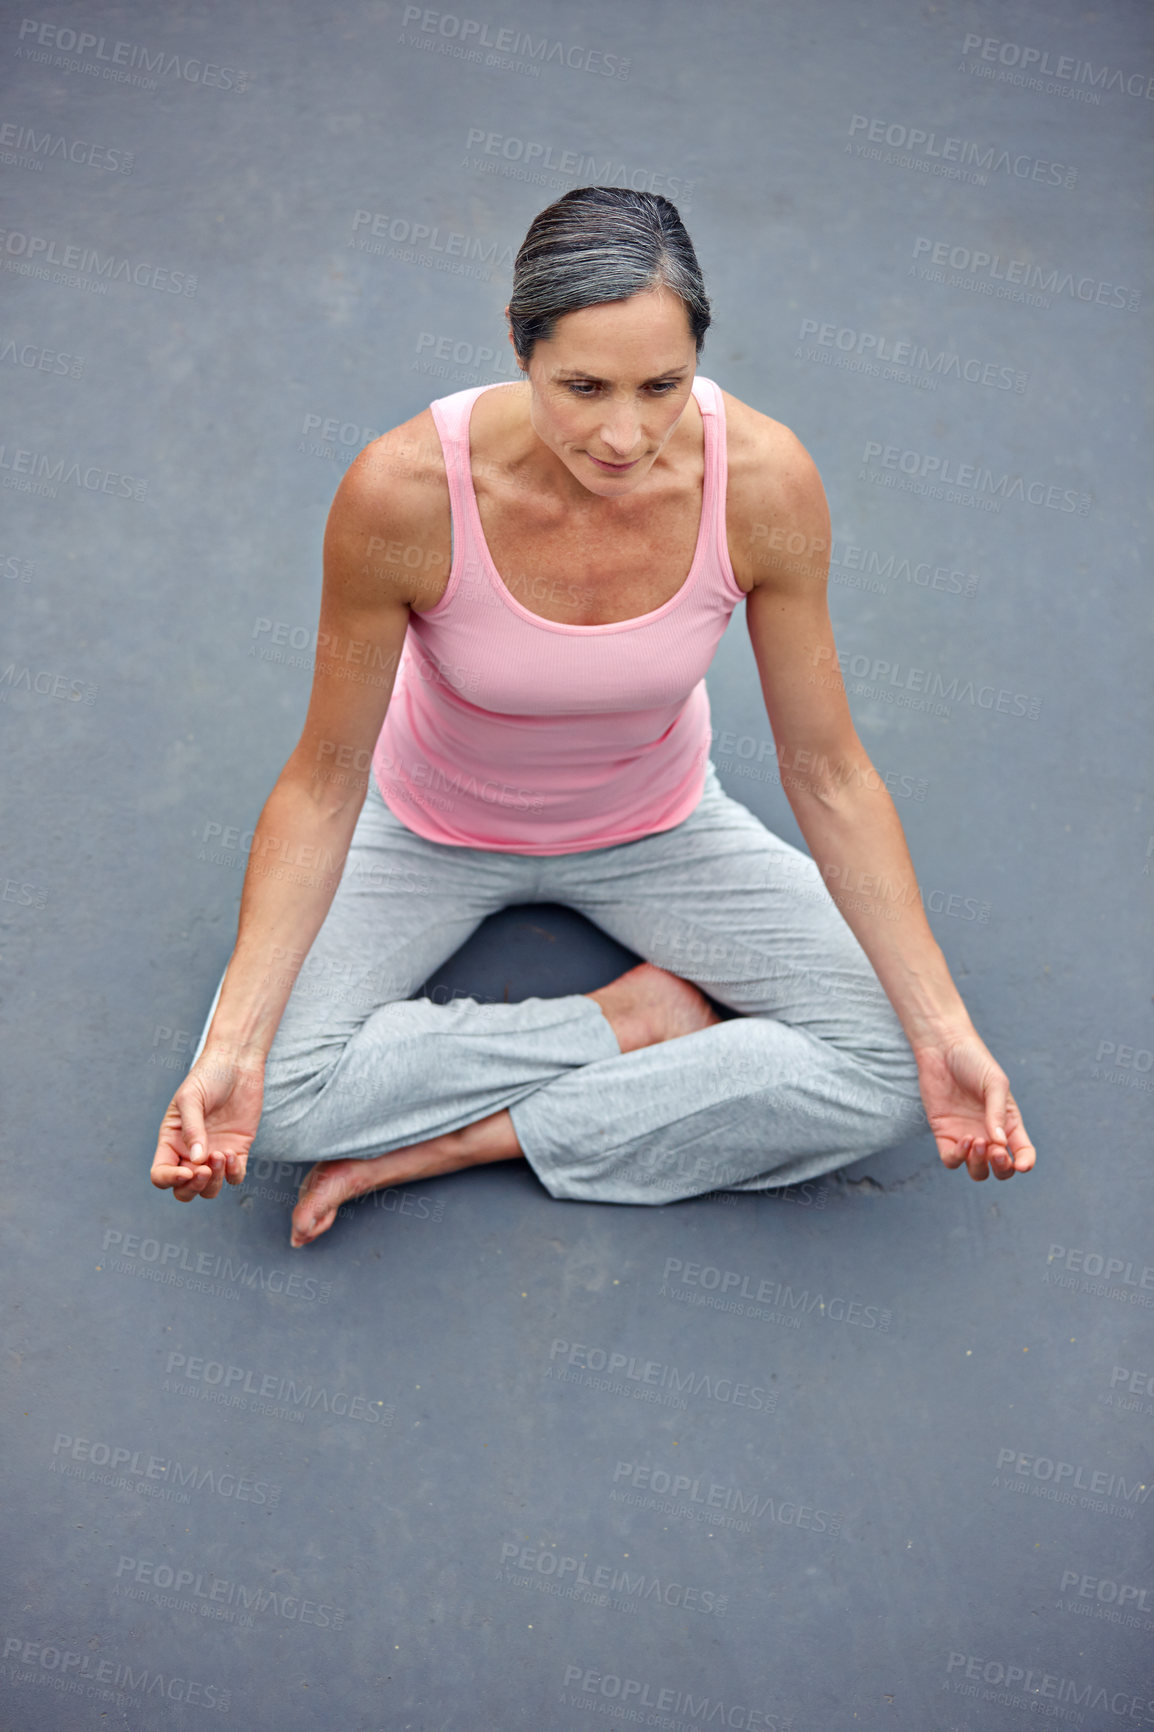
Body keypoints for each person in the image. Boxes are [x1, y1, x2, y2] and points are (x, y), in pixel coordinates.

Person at [150, 186, 1035, 1246]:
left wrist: (945, 1029)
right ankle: (626, 1021)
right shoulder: (402, 491)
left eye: (662, 385)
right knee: (271, 1101)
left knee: (897, 1069)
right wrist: (236, 1043)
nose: (625, 435)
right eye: (581, 386)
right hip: (429, 830)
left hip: (659, 828)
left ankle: (465, 1137)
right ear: (518, 350)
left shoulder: (761, 482)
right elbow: (326, 776)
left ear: (698, 359)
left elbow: (829, 772)